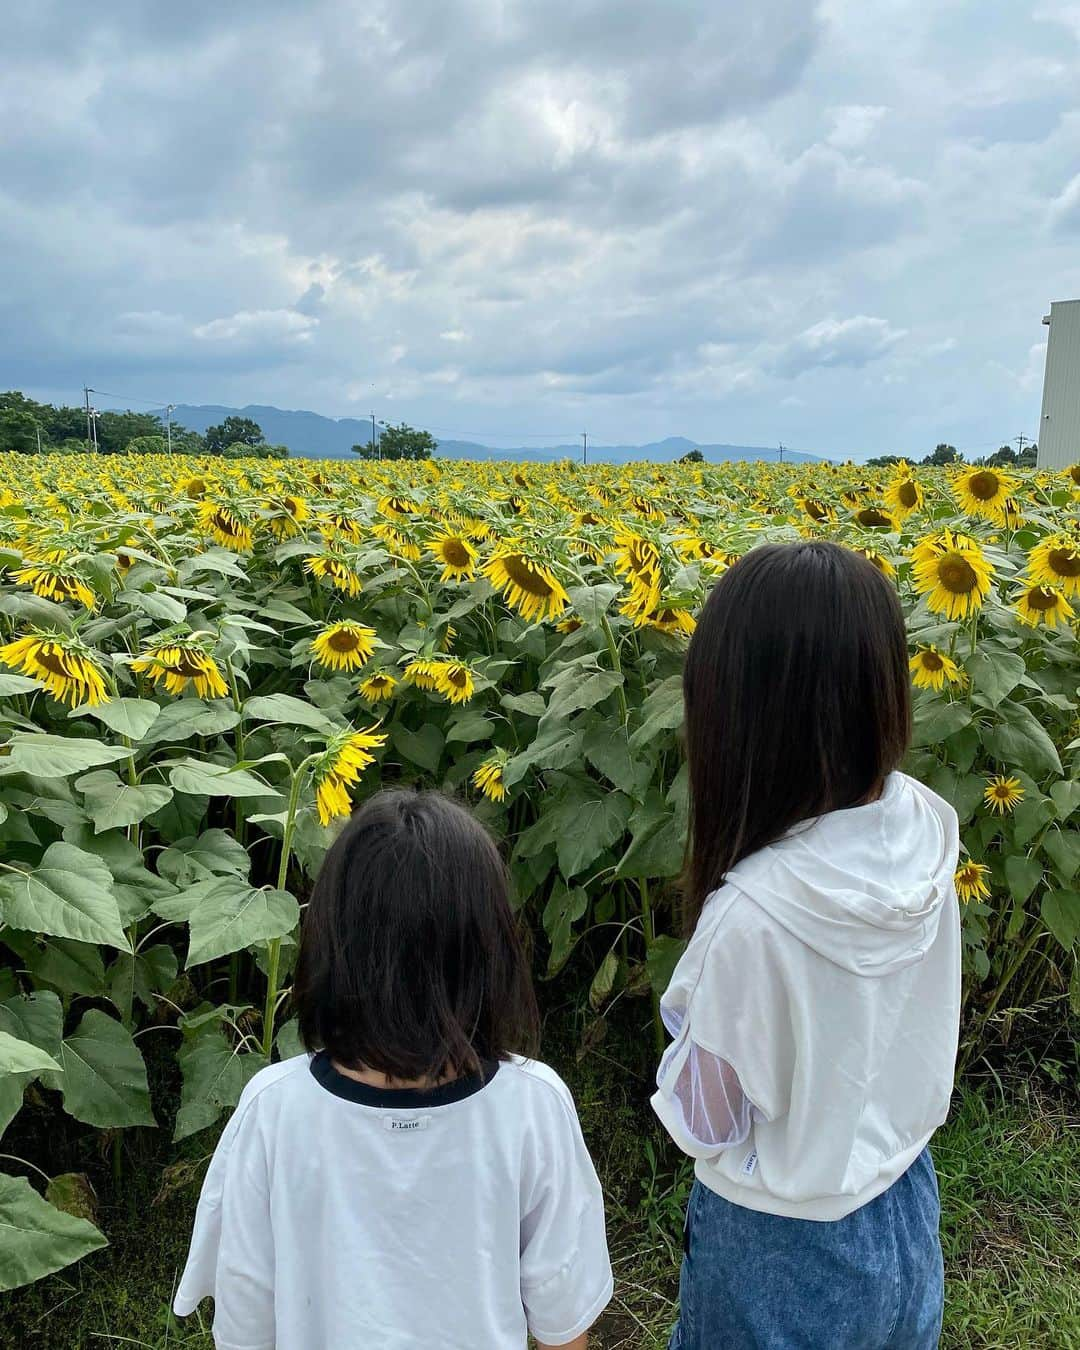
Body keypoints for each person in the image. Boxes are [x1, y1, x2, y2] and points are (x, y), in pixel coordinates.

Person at [653, 541, 961, 1350]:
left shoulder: (754, 916)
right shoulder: (927, 824)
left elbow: (709, 1122)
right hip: (904, 1203)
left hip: (779, 1246)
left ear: (738, 718)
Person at [173, 789, 613, 1349]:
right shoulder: (533, 1106)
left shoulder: (274, 1110)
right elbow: (563, 1323)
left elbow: (245, 1325)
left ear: (331, 941)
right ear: (489, 950)